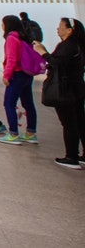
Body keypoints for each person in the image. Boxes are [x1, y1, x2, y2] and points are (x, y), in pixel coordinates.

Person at [33, 17, 85, 168]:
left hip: (65, 88)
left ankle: (71, 157)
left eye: (60, 26)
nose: (57, 29)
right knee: (79, 121)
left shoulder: (67, 46)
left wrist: (42, 52)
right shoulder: (79, 46)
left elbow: (56, 63)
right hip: (77, 87)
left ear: (69, 30)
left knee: (69, 123)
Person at [0, 14, 38, 145]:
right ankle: (31, 133)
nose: (1, 25)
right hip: (27, 74)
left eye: (3, 23)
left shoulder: (11, 38)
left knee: (9, 103)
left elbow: (12, 58)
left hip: (17, 74)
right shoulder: (23, 37)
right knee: (28, 104)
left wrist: (6, 74)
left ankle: (13, 133)